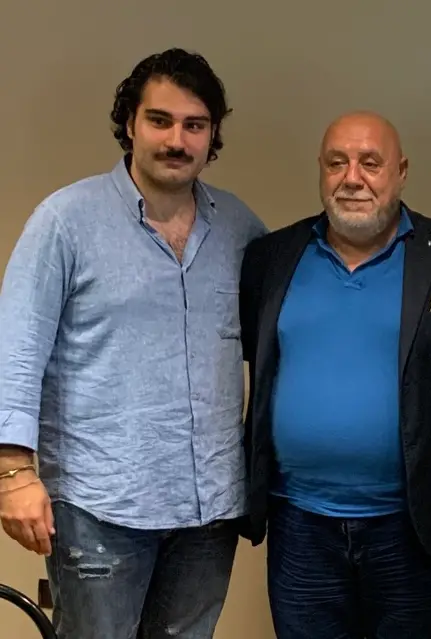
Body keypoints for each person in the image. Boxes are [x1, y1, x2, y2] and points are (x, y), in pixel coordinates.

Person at [0, 48, 266, 639]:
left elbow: (282, 336)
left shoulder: (239, 228)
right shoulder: (65, 221)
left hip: (209, 510)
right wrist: (13, 473)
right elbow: (16, 350)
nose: (177, 140)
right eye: (160, 120)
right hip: (100, 506)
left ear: (212, 136)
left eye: (194, 125)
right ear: (130, 123)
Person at [238, 111, 431, 638]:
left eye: (371, 163)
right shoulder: (272, 257)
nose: (352, 178)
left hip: (411, 526)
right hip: (300, 526)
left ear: (401, 171)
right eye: (336, 163)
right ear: (320, 170)